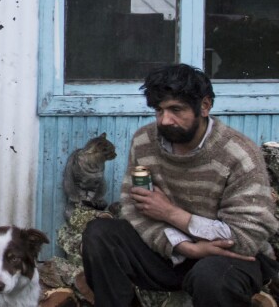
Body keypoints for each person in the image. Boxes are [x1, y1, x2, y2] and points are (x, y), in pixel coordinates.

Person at [82, 63, 279, 306]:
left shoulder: (238, 153)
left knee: (212, 276)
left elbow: (247, 235)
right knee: (100, 234)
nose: (165, 120)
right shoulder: (145, 141)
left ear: (204, 106)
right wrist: (186, 248)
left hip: (234, 258)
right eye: (159, 110)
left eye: (176, 109)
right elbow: (134, 210)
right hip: (171, 250)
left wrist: (173, 214)